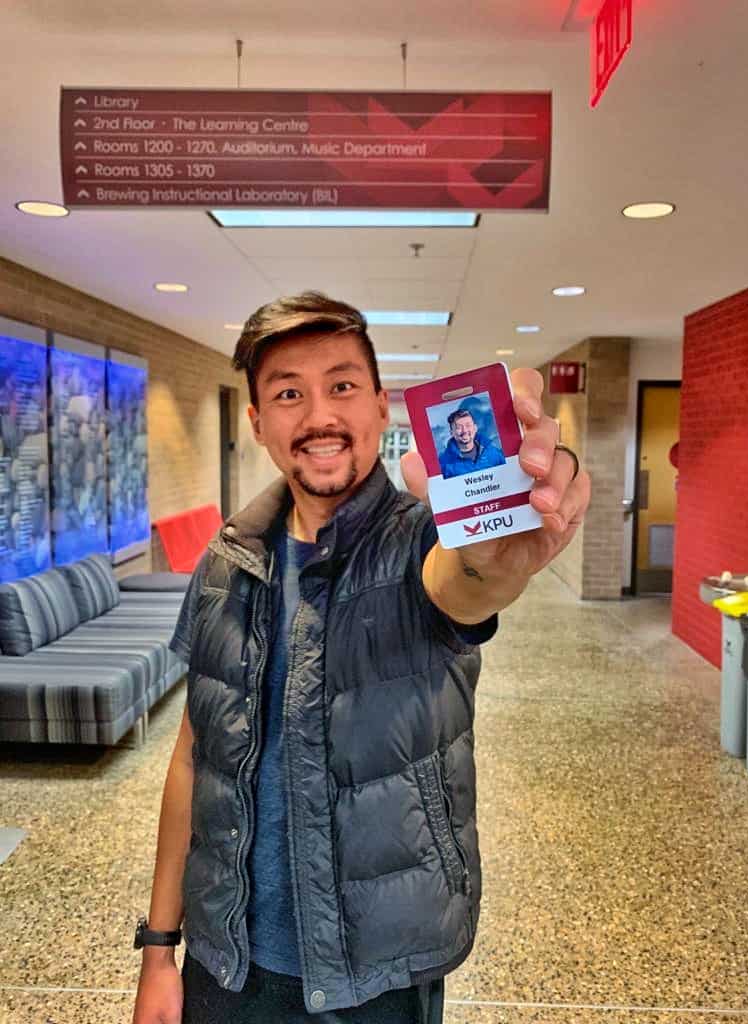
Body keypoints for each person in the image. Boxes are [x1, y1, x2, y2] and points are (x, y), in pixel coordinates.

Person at [132, 291, 590, 1024]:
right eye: (289, 394)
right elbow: (193, 758)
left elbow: (464, 582)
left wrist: (493, 557)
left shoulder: (420, 543)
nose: (319, 416)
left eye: (342, 385)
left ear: (381, 406)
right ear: (257, 422)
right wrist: (160, 949)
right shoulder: (226, 561)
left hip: (377, 978)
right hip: (226, 965)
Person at [438, 407, 506, 479]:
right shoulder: (444, 464)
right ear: (452, 433)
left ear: (475, 428)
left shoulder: (492, 452)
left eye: (468, 425)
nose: (464, 431)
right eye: (458, 427)